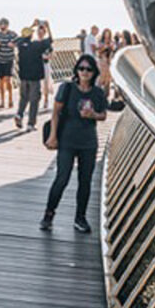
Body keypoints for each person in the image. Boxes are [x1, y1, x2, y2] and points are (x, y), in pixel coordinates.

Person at [40, 54, 107, 234]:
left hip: (88, 142)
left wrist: (93, 114)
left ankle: (80, 218)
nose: (84, 72)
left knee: (85, 182)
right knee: (62, 178)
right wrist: (52, 136)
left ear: (94, 72)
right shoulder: (67, 88)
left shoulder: (98, 93)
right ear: (76, 70)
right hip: (67, 141)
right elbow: (55, 113)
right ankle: (49, 214)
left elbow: (103, 115)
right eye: (81, 68)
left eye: (89, 69)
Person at [14, 21, 52, 131]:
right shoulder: (36, 45)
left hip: (23, 77)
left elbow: (16, 41)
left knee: (24, 98)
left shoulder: (21, 45)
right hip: (34, 78)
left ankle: (19, 115)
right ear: (31, 35)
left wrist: (30, 26)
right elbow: (50, 40)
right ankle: (31, 124)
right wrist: (48, 27)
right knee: (34, 101)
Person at [0, 18, 18, 109]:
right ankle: (2, 102)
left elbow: (19, 43)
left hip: (9, 60)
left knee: (8, 80)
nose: (0, 26)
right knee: (1, 81)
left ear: (6, 25)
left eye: (1, 24)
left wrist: (13, 45)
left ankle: (10, 101)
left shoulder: (13, 34)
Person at [37, 19, 54, 110]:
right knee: (38, 84)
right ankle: (38, 100)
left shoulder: (47, 42)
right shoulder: (34, 42)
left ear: (44, 33)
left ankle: (46, 100)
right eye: (38, 32)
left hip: (45, 65)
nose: (39, 34)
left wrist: (48, 26)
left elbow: (52, 54)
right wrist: (32, 25)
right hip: (36, 65)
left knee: (45, 83)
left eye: (41, 32)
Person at [97, 28, 114, 94]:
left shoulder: (111, 42)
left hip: (109, 61)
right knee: (101, 78)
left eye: (108, 34)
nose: (107, 35)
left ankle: (106, 95)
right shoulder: (101, 42)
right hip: (102, 60)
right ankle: (97, 93)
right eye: (106, 34)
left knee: (108, 79)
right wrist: (105, 47)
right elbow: (99, 52)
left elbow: (112, 51)